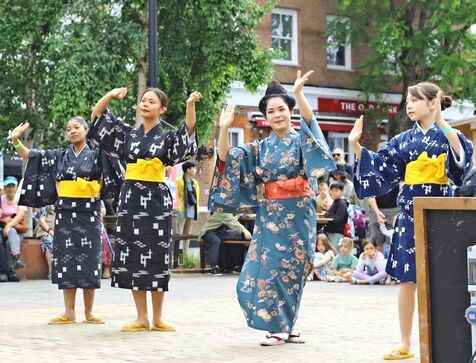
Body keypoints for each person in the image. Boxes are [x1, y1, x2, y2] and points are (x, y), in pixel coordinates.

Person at [349, 82, 473, 360]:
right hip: (409, 212)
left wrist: (441, 121)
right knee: (407, 279)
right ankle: (405, 343)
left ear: (433, 102)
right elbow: (380, 166)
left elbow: (461, 161)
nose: (409, 105)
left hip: (442, 213)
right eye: (407, 100)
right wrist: (355, 146)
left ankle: (451, 339)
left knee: (446, 278)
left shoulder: (449, 134)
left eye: (415, 100)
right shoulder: (403, 140)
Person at [213, 71, 335, 346]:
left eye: (282, 109)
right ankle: (277, 324)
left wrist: (300, 94)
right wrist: (223, 128)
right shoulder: (259, 148)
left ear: (290, 112)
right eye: (271, 111)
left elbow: (311, 123)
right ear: (265, 118)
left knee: (296, 268)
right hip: (270, 215)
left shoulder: (302, 140)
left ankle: (286, 325)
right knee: (265, 269)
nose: (277, 114)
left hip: (301, 212)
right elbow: (226, 159)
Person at [88, 86, 200, 332]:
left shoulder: (168, 138)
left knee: (157, 256)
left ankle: (158, 318)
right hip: (131, 198)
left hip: (157, 200)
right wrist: (109, 95)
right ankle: (141, 317)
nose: (145, 104)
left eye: (151, 101)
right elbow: (97, 118)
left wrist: (190, 105)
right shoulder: (127, 134)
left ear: (162, 109)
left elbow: (189, 133)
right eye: (142, 100)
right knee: (133, 255)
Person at [11, 116, 123, 325]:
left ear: (86, 130)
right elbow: (31, 157)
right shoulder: (59, 156)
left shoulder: (98, 155)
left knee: (90, 261)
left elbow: (111, 171)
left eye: (76, 127)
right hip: (65, 214)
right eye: (68, 129)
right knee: (67, 261)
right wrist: (16, 141)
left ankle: (89, 312)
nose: (72, 131)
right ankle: (69, 311)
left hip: (89, 214)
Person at [175, 161, 200, 267]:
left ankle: (185, 259)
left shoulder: (195, 183)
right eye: (193, 168)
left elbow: (197, 199)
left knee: (187, 236)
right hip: (181, 211)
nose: (195, 170)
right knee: (179, 235)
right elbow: (177, 196)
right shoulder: (179, 181)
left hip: (191, 212)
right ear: (188, 170)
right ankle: (176, 259)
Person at [0, 176, 27, 270]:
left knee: (8, 242)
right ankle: (7, 268)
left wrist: (8, 226)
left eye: (12, 186)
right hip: (1, 228)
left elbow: (19, 216)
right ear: (4, 188)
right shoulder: (1, 199)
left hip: (16, 231)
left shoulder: (21, 200)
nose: (10, 189)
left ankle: (11, 268)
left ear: (16, 187)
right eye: (8, 186)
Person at [322, 182, 349, 251]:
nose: (333, 193)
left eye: (336, 191)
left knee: (335, 251)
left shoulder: (341, 203)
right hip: (331, 231)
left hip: (336, 233)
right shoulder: (336, 201)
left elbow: (338, 219)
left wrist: (327, 214)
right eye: (332, 191)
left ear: (342, 191)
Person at [34, 205, 55, 279]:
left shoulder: (63, 204)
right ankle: (51, 271)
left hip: (60, 231)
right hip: (45, 231)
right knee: (49, 241)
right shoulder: (45, 205)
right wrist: (50, 231)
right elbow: (42, 221)